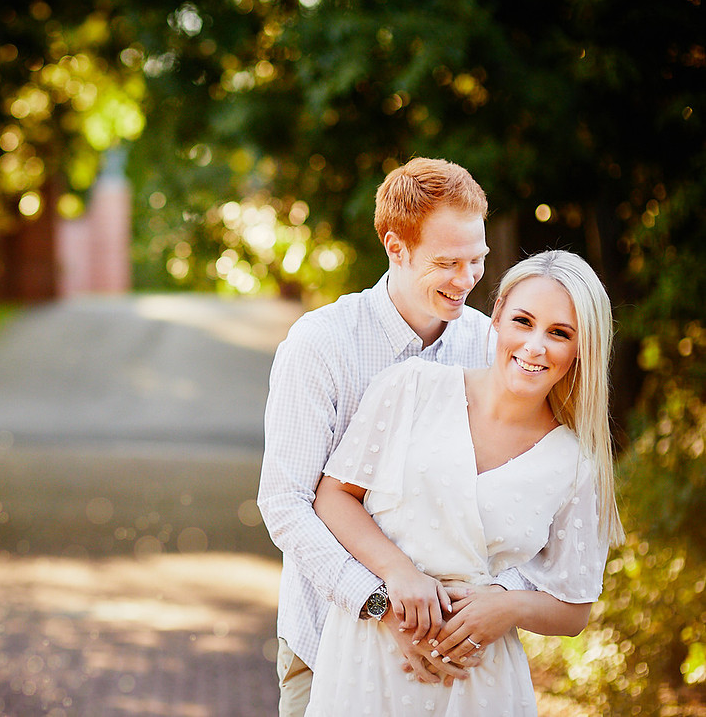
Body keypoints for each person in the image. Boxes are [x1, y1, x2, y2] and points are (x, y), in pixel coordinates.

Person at [258, 157, 532, 716]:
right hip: (326, 647)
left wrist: (491, 603)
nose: (467, 278)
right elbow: (285, 504)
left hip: (457, 657)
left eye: (476, 259)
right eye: (447, 262)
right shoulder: (320, 345)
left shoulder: (487, 346)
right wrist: (384, 602)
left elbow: (522, 495)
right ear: (395, 247)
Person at [305, 250, 625, 715]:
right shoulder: (411, 388)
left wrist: (508, 608)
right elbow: (334, 496)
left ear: (581, 349)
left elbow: (574, 607)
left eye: (559, 333)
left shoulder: (576, 464)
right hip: (367, 659)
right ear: (495, 317)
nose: (535, 346)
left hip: (478, 680)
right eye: (523, 321)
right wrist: (398, 574)